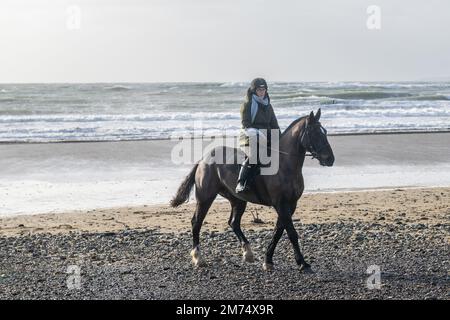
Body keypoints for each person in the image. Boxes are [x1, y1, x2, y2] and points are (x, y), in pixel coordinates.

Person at [236, 78, 280, 193]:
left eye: (264, 89)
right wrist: (258, 134)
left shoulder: (268, 106)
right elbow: (246, 124)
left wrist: (280, 138)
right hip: (249, 135)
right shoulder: (247, 104)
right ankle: (241, 182)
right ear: (254, 90)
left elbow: (274, 124)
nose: (262, 92)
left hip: (267, 136)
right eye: (259, 89)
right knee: (254, 155)